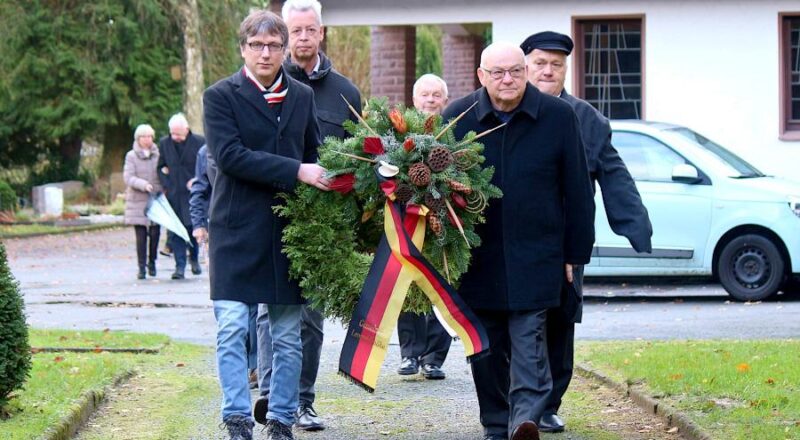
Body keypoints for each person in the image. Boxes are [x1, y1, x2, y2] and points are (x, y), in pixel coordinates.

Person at [441, 42, 595, 440]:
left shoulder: (559, 117)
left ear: (525, 72)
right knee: (485, 346)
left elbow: (577, 189)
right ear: (481, 76)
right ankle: (496, 423)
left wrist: (575, 253)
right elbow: (435, 192)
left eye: (515, 71)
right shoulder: (456, 118)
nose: (507, 80)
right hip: (477, 254)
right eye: (498, 73)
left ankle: (524, 420)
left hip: (539, 251)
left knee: (530, 340)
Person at [203, 9, 327, 440]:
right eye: (257, 45)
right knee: (233, 328)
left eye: (275, 45)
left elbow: (316, 153)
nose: (266, 53)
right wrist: (297, 170)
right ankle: (237, 417)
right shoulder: (220, 96)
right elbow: (230, 156)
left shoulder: (302, 96)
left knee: (288, 334)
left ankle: (281, 418)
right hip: (234, 230)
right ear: (243, 49)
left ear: (285, 48)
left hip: (285, 233)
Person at [521, 31, 653, 433]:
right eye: (540, 62)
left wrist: (635, 225)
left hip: (566, 244)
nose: (548, 70)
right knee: (518, 322)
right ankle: (517, 402)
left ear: (566, 68)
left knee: (561, 321)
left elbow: (613, 173)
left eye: (556, 64)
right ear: (525, 65)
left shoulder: (588, 120)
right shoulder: (505, 109)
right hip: (518, 240)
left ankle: (547, 404)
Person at [253, 0, 361, 432]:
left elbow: (359, 158)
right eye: (293, 30)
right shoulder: (262, 84)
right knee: (267, 311)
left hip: (321, 222)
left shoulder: (347, 93)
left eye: (309, 30)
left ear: (321, 33)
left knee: (311, 315)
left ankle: (302, 400)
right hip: (268, 214)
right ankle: (268, 393)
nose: (302, 37)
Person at [396, 73, 452, 381]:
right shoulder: (400, 135)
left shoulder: (455, 134)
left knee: (441, 288)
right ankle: (409, 354)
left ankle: (434, 358)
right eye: (424, 95)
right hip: (407, 221)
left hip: (445, 225)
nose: (430, 100)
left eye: (436, 95)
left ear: (445, 100)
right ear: (413, 100)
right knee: (407, 286)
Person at [157, 112, 205, 280]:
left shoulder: (200, 142)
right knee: (176, 231)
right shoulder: (164, 143)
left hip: (192, 195)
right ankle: (179, 267)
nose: (174, 137)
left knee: (193, 229)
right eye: (172, 133)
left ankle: (194, 259)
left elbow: (205, 166)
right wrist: (166, 184)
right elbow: (160, 166)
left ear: (186, 129)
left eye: (178, 133)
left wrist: (197, 179)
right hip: (174, 194)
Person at [123, 124, 162, 280]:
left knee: (155, 233)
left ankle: (152, 261)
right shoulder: (131, 156)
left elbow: (162, 173)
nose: (148, 140)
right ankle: (141, 267)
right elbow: (128, 177)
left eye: (150, 136)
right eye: (144, 137)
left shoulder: (158, 154)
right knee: (140, 235)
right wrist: (143, 184)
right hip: (137, 200)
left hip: (155, 198)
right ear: (138, 139)